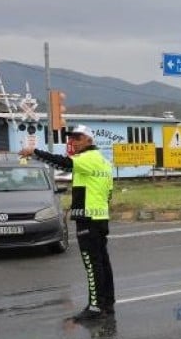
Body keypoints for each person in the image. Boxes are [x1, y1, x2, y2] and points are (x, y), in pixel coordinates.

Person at [20, 125, 115, 321]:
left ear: (89, 140)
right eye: (72, 138)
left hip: (88, 219)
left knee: (92, 264)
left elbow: (63, 163)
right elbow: (109, 193)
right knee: (102, 262)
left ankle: (96, 307)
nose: (74, 141)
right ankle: (107, 303)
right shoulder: (104, 162)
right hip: (99, 218)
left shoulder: (87, 158)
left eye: (78, 138)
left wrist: (34, 152)